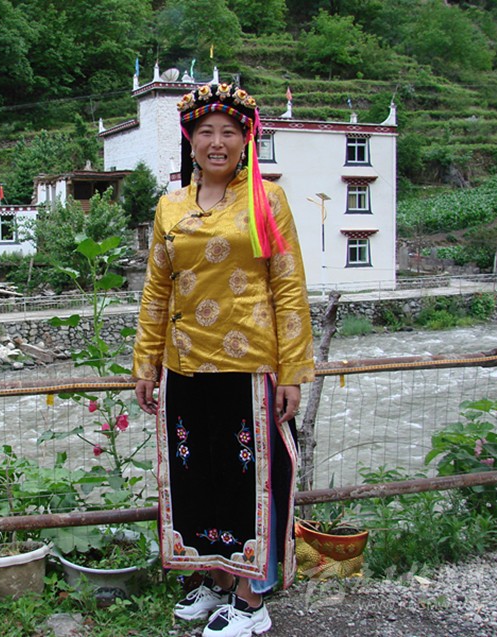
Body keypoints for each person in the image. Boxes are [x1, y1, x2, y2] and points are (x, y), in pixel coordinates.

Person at [132, 80, 315, 637]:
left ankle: (251, 600)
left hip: (248, 366)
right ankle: (215, 579)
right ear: (190, 141)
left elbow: (288, 286)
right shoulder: (170, 207)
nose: (218, 142)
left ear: (245, 140)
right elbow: (156, 290)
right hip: (184, 365)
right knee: (198, 477)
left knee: (247, 481)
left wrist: (292, 371)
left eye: (229, 132)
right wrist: (146, 363)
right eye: (207, 132)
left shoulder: (267, 200)